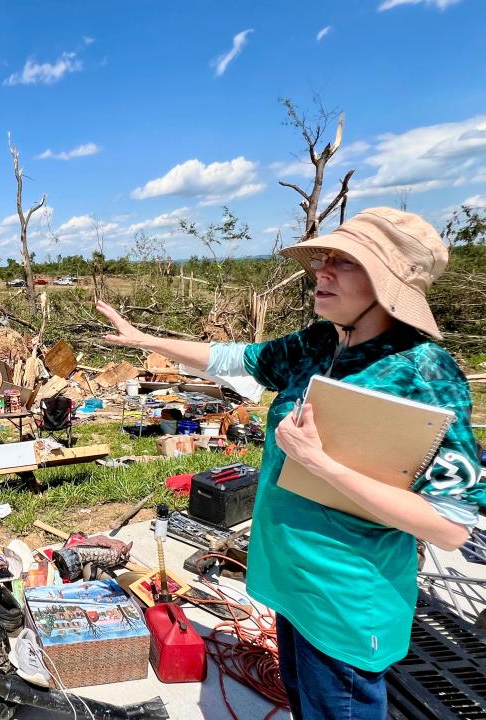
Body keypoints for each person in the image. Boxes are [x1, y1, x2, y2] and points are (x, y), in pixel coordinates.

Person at [96, 207, 485, 720]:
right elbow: (237, 358)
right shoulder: (322, 340)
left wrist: (323, 465)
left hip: (344, 597)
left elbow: (452, 526)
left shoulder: (425, 372)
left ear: (387, 282)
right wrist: (146, 340)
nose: (321, 271)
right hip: (292, 577)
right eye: (324, 258)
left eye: (344, 263)